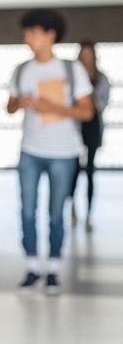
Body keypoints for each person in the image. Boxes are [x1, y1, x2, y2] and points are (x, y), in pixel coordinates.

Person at [7, 9, 93, 295]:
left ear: (50, 35)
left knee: (56, 213)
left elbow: (87, 111)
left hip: (63, 152)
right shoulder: (22, 70)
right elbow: (10, 105)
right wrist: (21, 102)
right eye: (26, 33)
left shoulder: (72, 70)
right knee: (26, 210)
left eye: (32, 32)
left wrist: (51, 107)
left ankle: (53, 268)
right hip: (30, 150)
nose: (27, 38)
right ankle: (32, 266)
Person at [69, 40, 110, 233]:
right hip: (74, 129)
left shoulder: (101, 78)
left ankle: (89, 216)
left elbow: (99, 105)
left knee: (91, 172)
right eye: (83, 56)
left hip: (92, 128)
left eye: (89, 56)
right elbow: (69, 105)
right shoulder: (72, 78)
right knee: (73, 172)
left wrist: (86, 91)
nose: (86, 59)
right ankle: (73, 211)